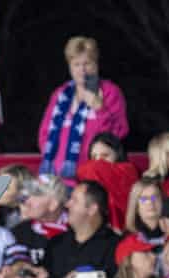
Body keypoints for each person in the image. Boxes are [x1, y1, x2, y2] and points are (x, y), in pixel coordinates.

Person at [38, 36, 128, 179]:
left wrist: (100, 109)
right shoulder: (60, 94)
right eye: (76, 64)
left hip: (94, 177)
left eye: (87, 63)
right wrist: (55, 163)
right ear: (70, 67)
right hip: (56, 178)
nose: (82, 70)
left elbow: (118, 133)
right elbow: (44, 134)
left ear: (96, 64)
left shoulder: (110, 91)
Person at [43, 181, 121, 278]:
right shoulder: (55, 244)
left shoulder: (116, 247)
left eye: (74, 200)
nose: (67, 204)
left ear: (92, 209)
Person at [76, 132, 140, 234]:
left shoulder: (128, 171)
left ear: (117, 155)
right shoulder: (87, 180)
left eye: (104, 156)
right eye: (94, 157)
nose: (98, 162)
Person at [11, 176, 69, 266]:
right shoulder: (19, 232)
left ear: (53, 204)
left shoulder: (79, 230)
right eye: (26, 195)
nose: (25, 201)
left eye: (34, 195)